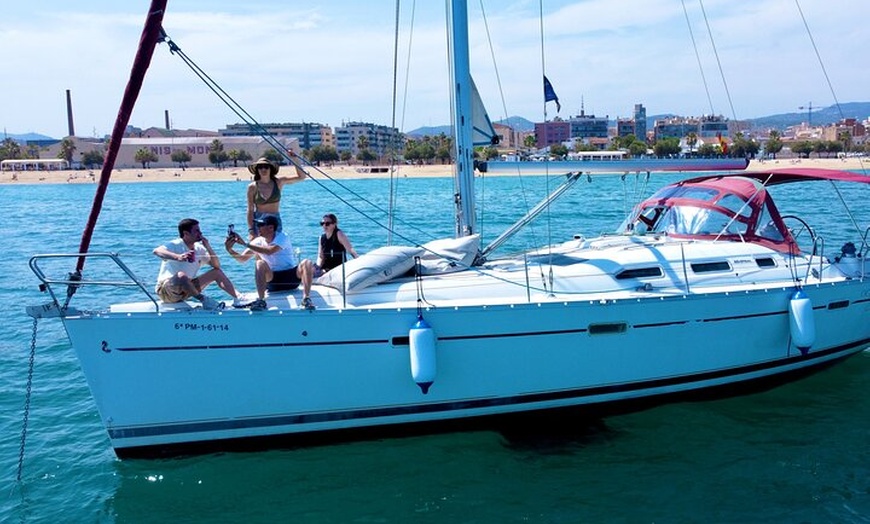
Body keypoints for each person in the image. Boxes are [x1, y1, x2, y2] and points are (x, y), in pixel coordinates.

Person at [224, 215, 316, 310]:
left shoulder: (282, 237)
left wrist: (245, 244)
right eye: (257, 225)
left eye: (261, 225)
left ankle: (306, 299)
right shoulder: (258, 241)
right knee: (259, 263)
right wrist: (230, 250)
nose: (258, 227)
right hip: (272, 280)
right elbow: (242, 259)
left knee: (307, 262)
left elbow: (270, 251)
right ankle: (261, 300)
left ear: (271, 228)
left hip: (291, 278)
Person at [153, 218, 239, 310]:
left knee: (216, 272)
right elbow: (157, 251)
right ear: (186, 234)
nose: (200, 233)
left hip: (186, 290)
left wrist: (208, 247)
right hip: (166, 291)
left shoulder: (199, 248)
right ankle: (204, 300)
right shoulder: (176, 244)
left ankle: (238, 298)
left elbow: (216, 266)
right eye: (197, 231)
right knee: (181, 275)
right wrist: (178, 257)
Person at [246, 153, 307, 238]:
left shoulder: (278, 182)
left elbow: (302, 177)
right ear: (257, 170)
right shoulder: (252, 187)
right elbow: (250, 210)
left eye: (266, 167)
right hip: (259, 221)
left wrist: (295, 159)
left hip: (274, 220)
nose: (263, 169)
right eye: (260, 167)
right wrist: (251, 230)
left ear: (270, 169)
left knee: (275, 246)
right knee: (258, 247)